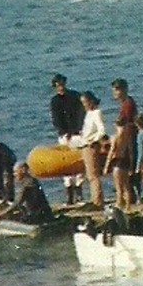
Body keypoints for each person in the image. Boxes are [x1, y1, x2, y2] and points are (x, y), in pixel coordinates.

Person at [49, 74, 87, 205]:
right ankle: (69, 194)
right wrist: (64, 132)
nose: (60, 87)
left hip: (77, 133)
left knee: (79, 162)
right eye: (57, 85)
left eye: (61, 84)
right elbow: (56, 119)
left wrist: (78, 129)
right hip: (65, 135)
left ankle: (79, 193)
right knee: (66, 165)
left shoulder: (74, 96)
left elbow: (81, 113)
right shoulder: (55, 101)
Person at [108, 79, 139, 210]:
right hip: (128, 137)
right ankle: (130, 197)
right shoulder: (126, 103)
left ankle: (131, 197)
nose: (114, 93)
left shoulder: (128, 104)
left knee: (129, 167)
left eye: (116, 90)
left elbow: (127, 122)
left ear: (123, 90)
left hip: (129, 138)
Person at [75, 92, 108, 208]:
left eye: (85, 102)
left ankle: (98, 201)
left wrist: (93, 140)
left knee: (93, 175)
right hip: (85, 144)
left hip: (90, 146)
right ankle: (95, 199)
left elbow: (101, 130)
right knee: (90, 175)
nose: (84, 105)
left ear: (91, 101)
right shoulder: (89, 113)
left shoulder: (96, 113)